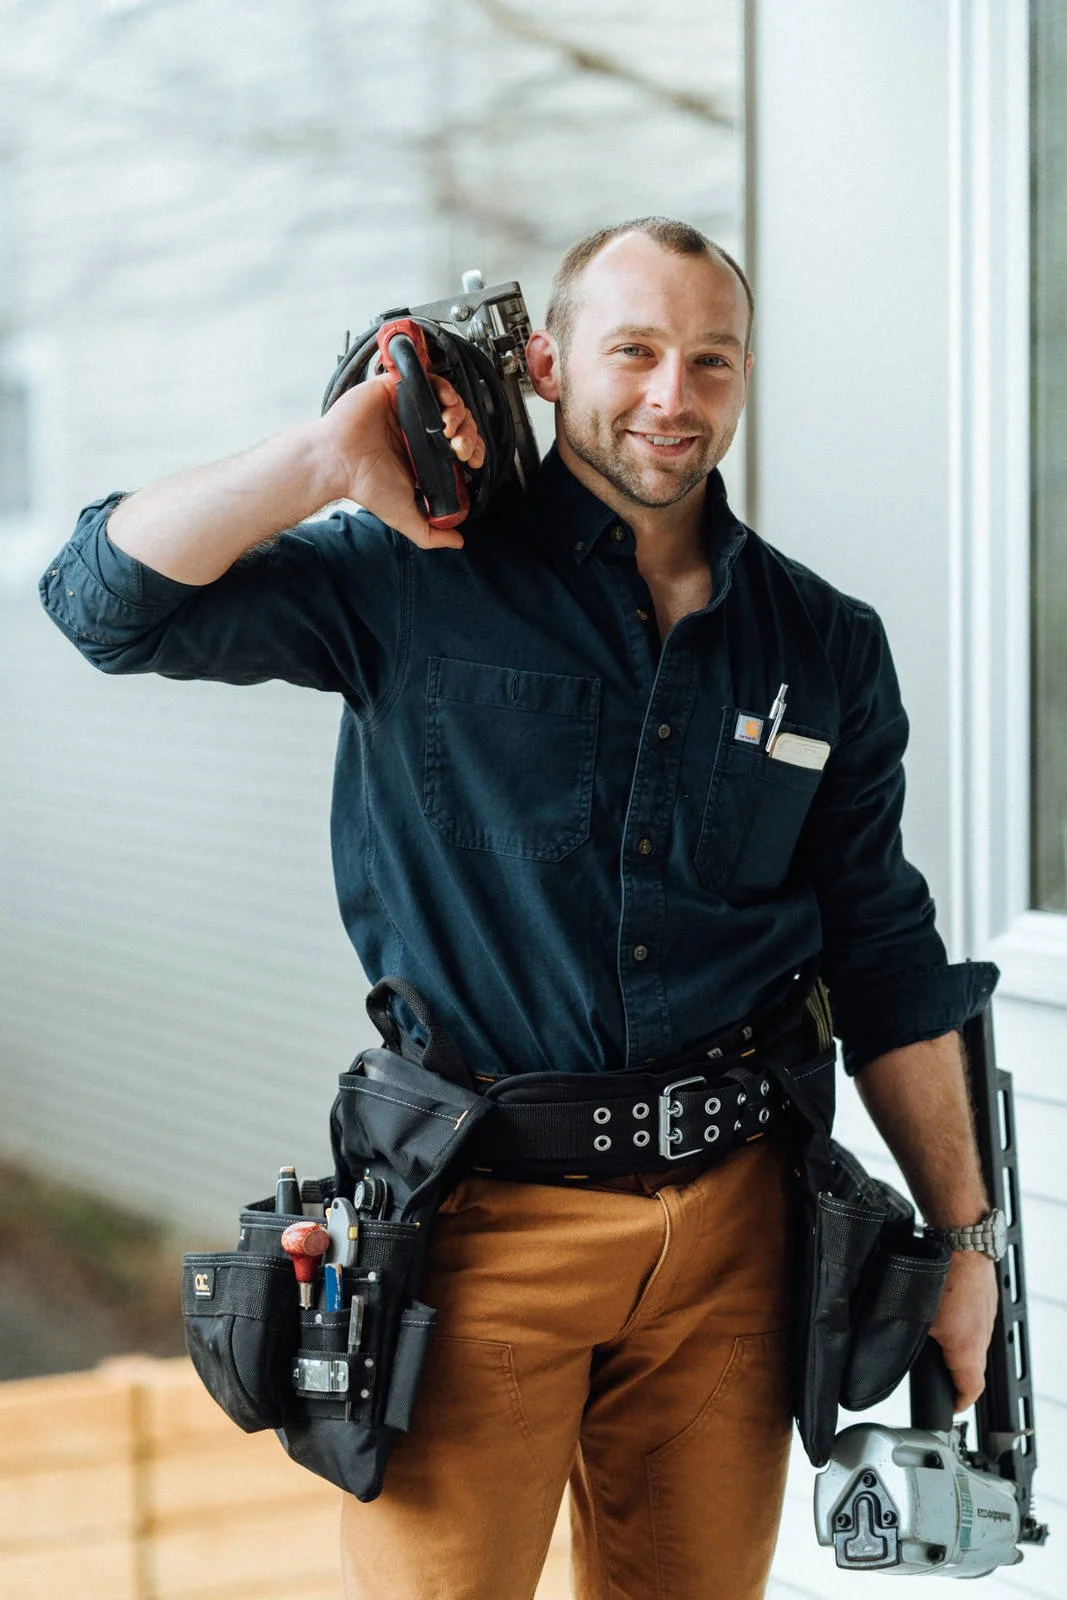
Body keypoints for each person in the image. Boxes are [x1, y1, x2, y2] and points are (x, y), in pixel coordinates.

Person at [41, 218, 1000, 1600]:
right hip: (482, 1224)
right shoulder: (407, 572)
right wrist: (327, 455)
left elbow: (888, 959)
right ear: (546, 364)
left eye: (709, 360)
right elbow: (101, 604)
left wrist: (966, 1245)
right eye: (634, 351)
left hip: (738, 1231)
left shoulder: (821, 643)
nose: (673, 394)